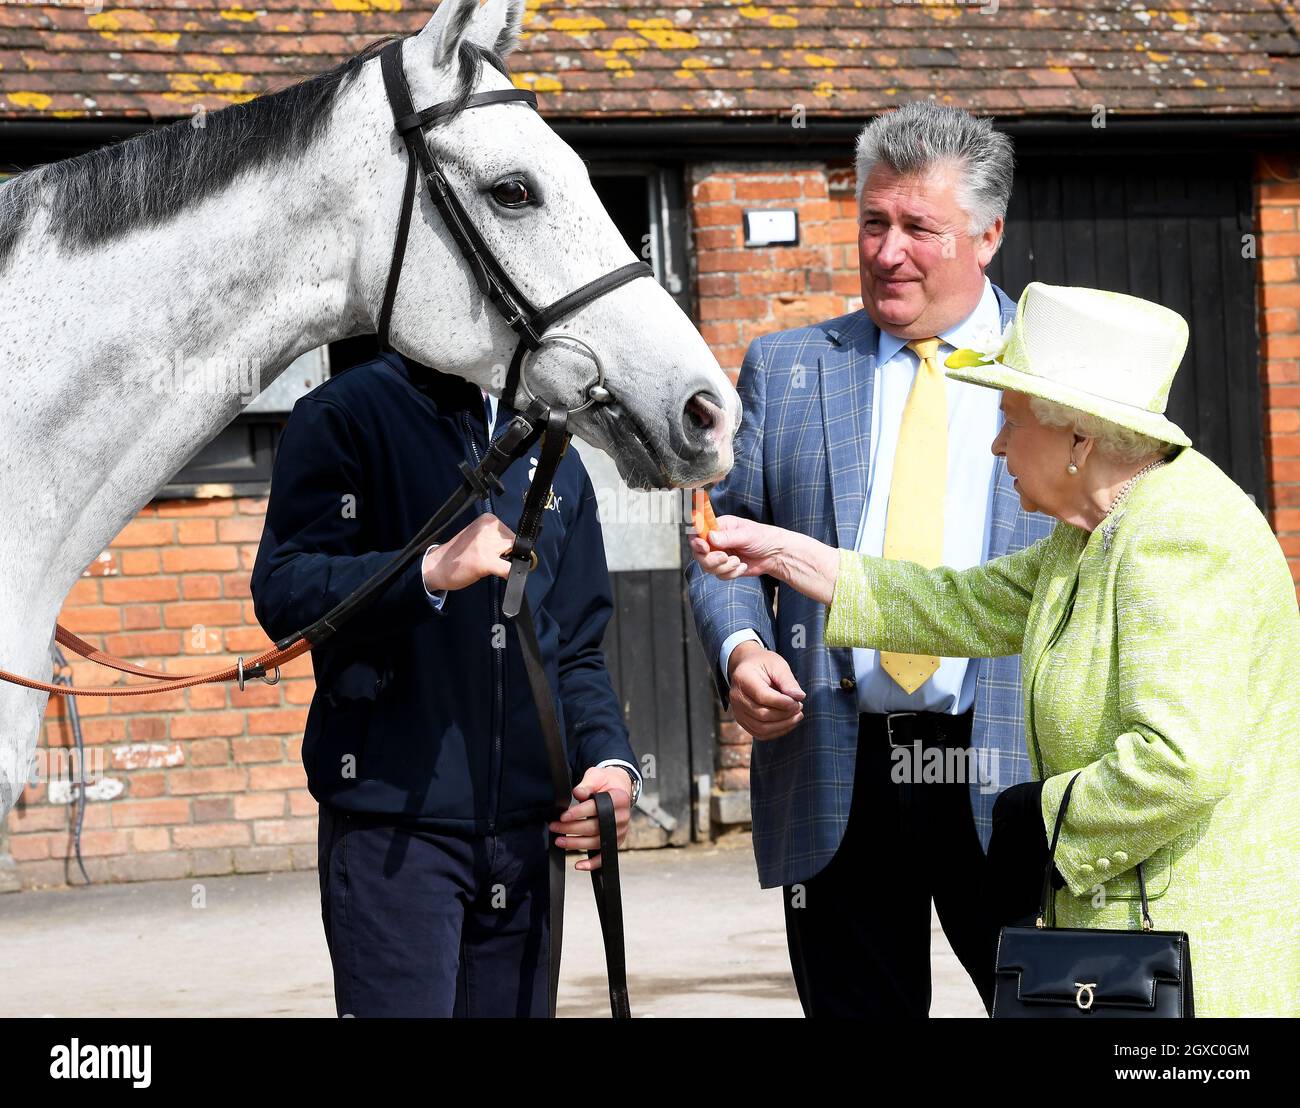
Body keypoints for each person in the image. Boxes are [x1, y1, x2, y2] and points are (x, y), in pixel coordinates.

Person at [691, 281, 1300, 1018]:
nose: (996, 443)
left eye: (1009, 419)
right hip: (1126, 948)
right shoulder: (1090, 537)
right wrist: (781, 553)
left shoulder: (1180, 536)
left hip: (1197, 965)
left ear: (1079, 437)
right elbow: (959, 603)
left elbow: (1179, 762)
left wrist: (1039, 821)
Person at [686, 100, 1053, 1016]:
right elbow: (720, 547)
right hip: (838, 764)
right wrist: (744, 651)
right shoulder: (790, 366)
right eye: (873, 223)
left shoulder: (1054, 374)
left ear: (988, 234)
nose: (887, 252)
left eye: (920, 228)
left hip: (1005, 763)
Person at [250, 351, 641, 1018]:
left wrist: (610, 762)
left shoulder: (555, 446)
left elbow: (574, 651)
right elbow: (284, 591)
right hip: (393, 834)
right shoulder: (345, 415)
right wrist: (427, 569)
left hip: (528, 836)